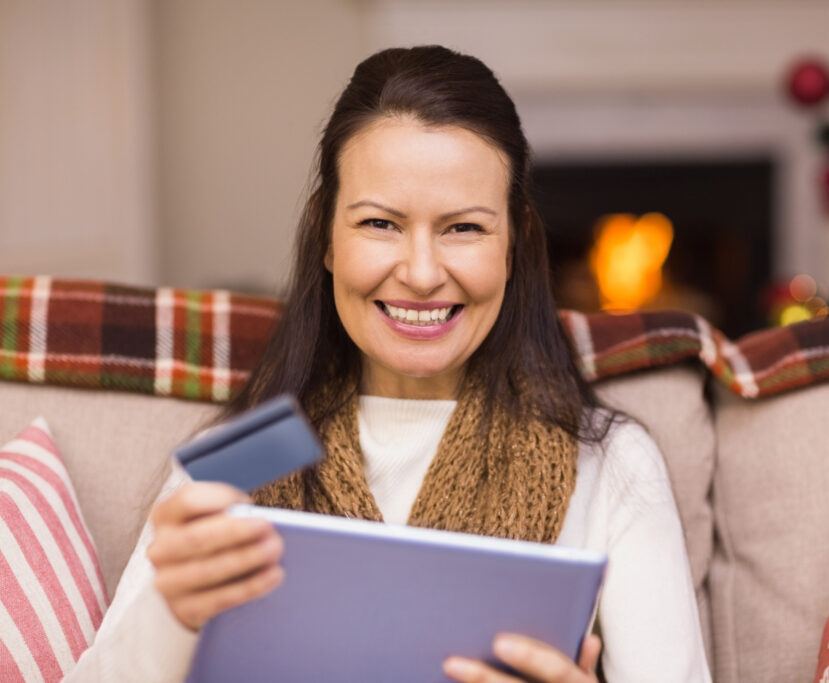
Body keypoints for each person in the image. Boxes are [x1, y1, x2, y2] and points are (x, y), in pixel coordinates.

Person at [68, 45, 711, 682]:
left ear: (513, 243)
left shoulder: (610, 463)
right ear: (325, 234)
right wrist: (170, 617)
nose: (422, 274)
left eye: (464, 228)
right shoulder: (243, 458)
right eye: (380, 224)